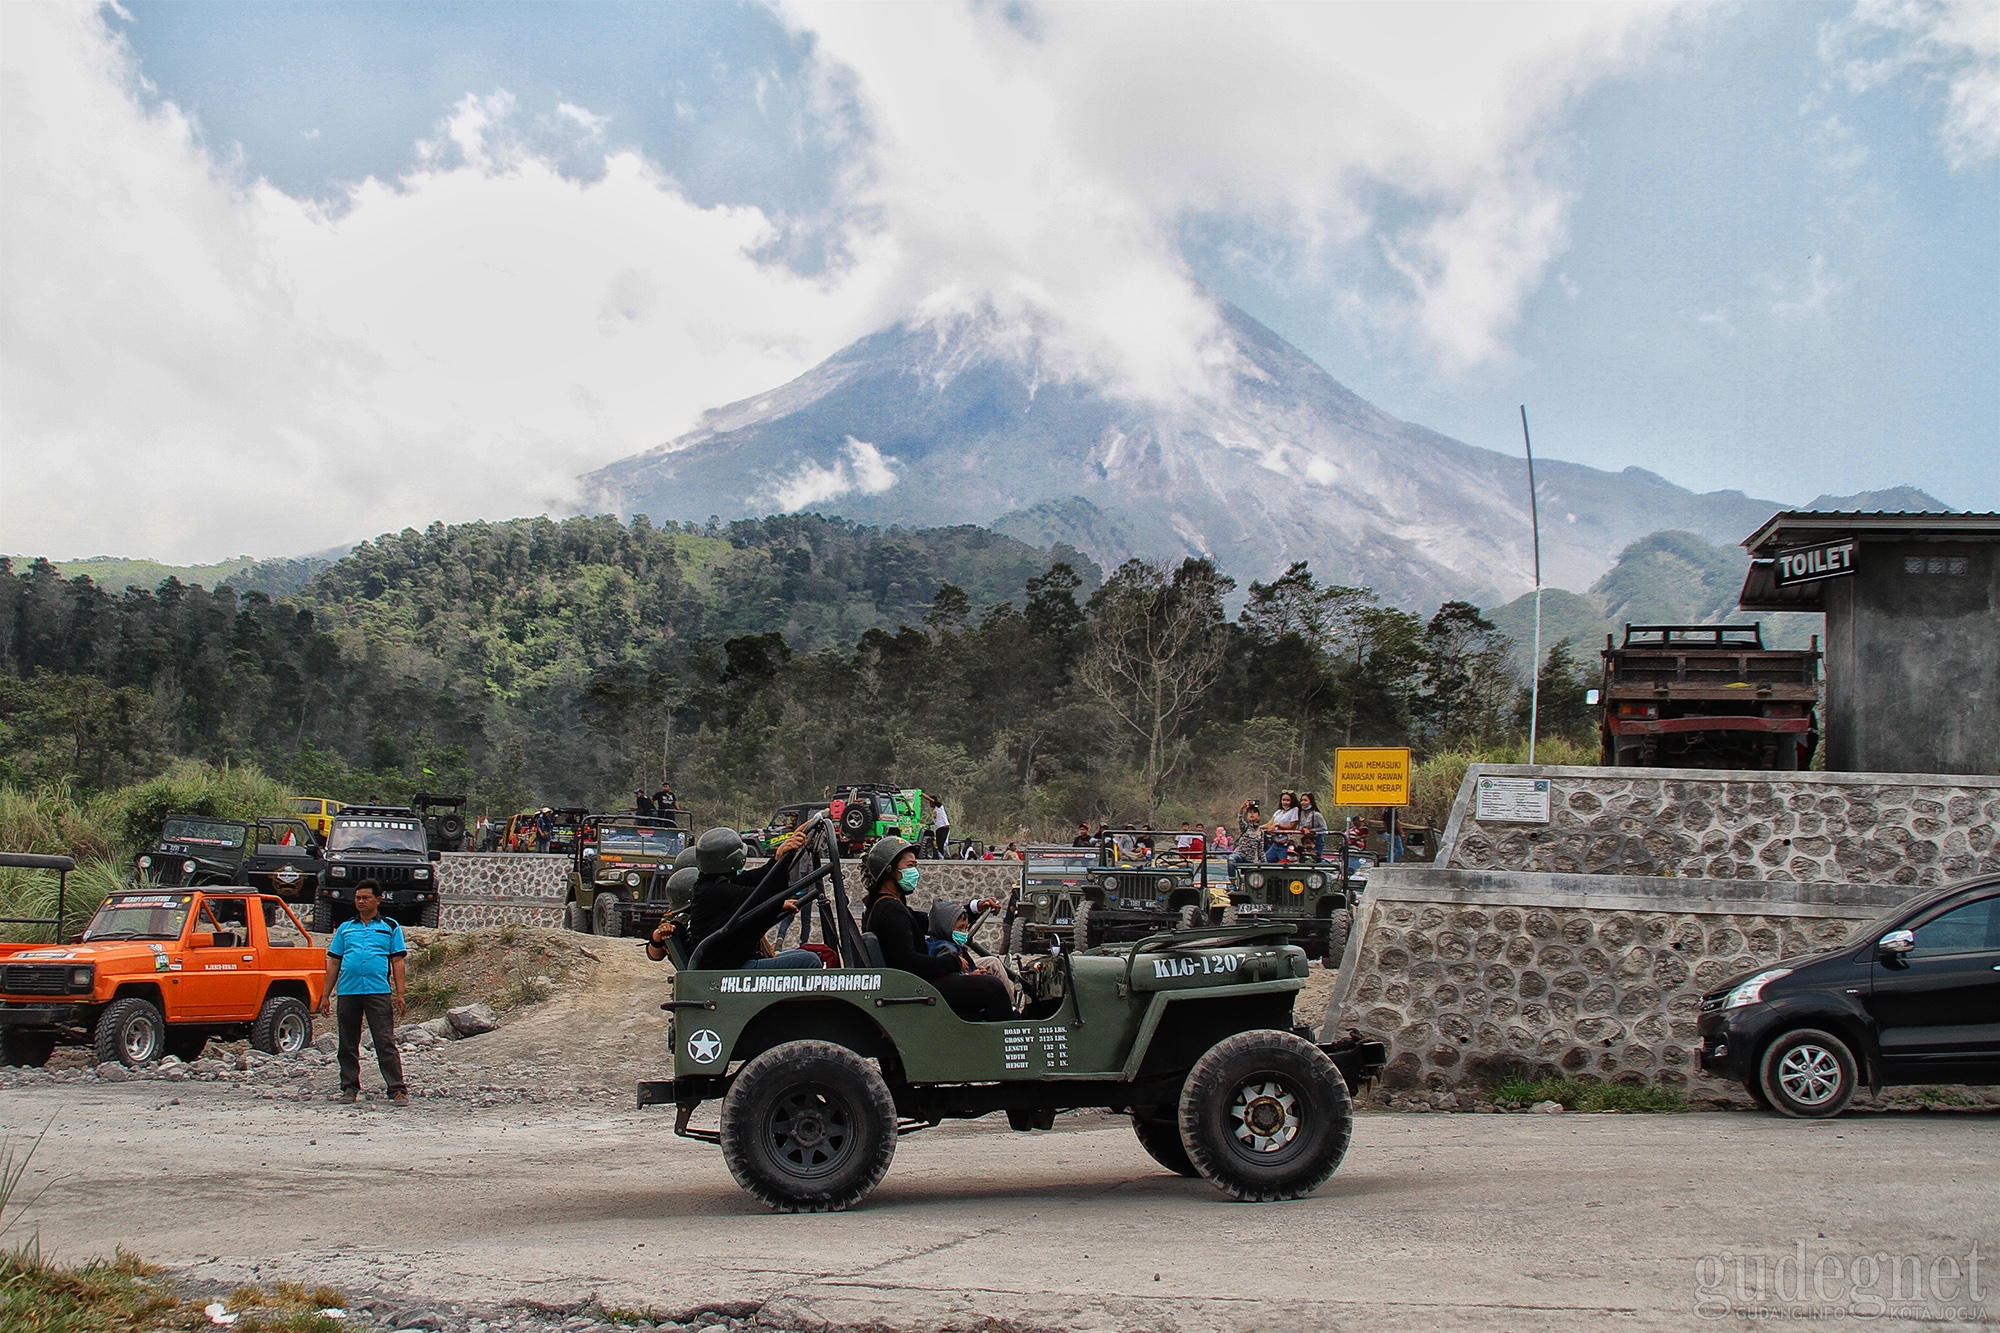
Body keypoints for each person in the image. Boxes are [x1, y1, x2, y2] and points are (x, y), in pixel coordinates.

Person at [861, 837, 1011, 1021]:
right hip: (915, 987)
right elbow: (908, 962)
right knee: (992, 988)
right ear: (890, 870)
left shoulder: (890, 905)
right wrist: (953, 963)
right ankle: (1009, 1038)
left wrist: (975, 907)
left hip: (915, 982)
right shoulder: (892, 911)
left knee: (988, 973)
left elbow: (935, 922)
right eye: (910, 866)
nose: (914, 872)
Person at [317, 882, 409, 1106]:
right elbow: (334, 961)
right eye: (357, 897)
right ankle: (349, 1087)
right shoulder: (345, 928)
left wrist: (400, 993)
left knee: (384, 1041)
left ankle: (397, 1089)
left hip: (378, 991)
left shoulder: (390, 926)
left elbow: (397, 961)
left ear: (378, 899)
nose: (360, 901)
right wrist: (325, 995)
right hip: (348, 992)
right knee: (348, 1043)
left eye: (366, 897)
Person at [681, 827, 822, 970]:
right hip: (729, 970)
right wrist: (778, 903)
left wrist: (780, 857)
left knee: (804, 954)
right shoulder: (717, 892)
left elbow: (762, 876)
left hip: (731, 964)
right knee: (810, 960)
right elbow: (767, 895)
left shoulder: (711, 886)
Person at [926, 897, 1019, 1008]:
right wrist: (969, 976)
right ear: (945, 929)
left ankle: (1009, 1005)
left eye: (965, 928)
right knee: (992, 979)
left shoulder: (941, 943)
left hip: (955, 977)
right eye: (960, 928)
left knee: (993, 963)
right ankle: (1010, 1010)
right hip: (952, 988)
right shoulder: (946, 949)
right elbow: (950, 977)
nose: (964, 933)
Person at [1298, 792, 1328, 861]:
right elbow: (1299, 825)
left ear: (1311, 802)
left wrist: (1311, 830)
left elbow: (1324, 828)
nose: (1303, 802)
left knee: (1315, 859)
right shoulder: (1300, 813)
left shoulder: (1316, 815)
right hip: (1305, 840)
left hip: (1317, 840)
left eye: (1305, 800)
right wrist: (1303, 829)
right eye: (1302, 800)